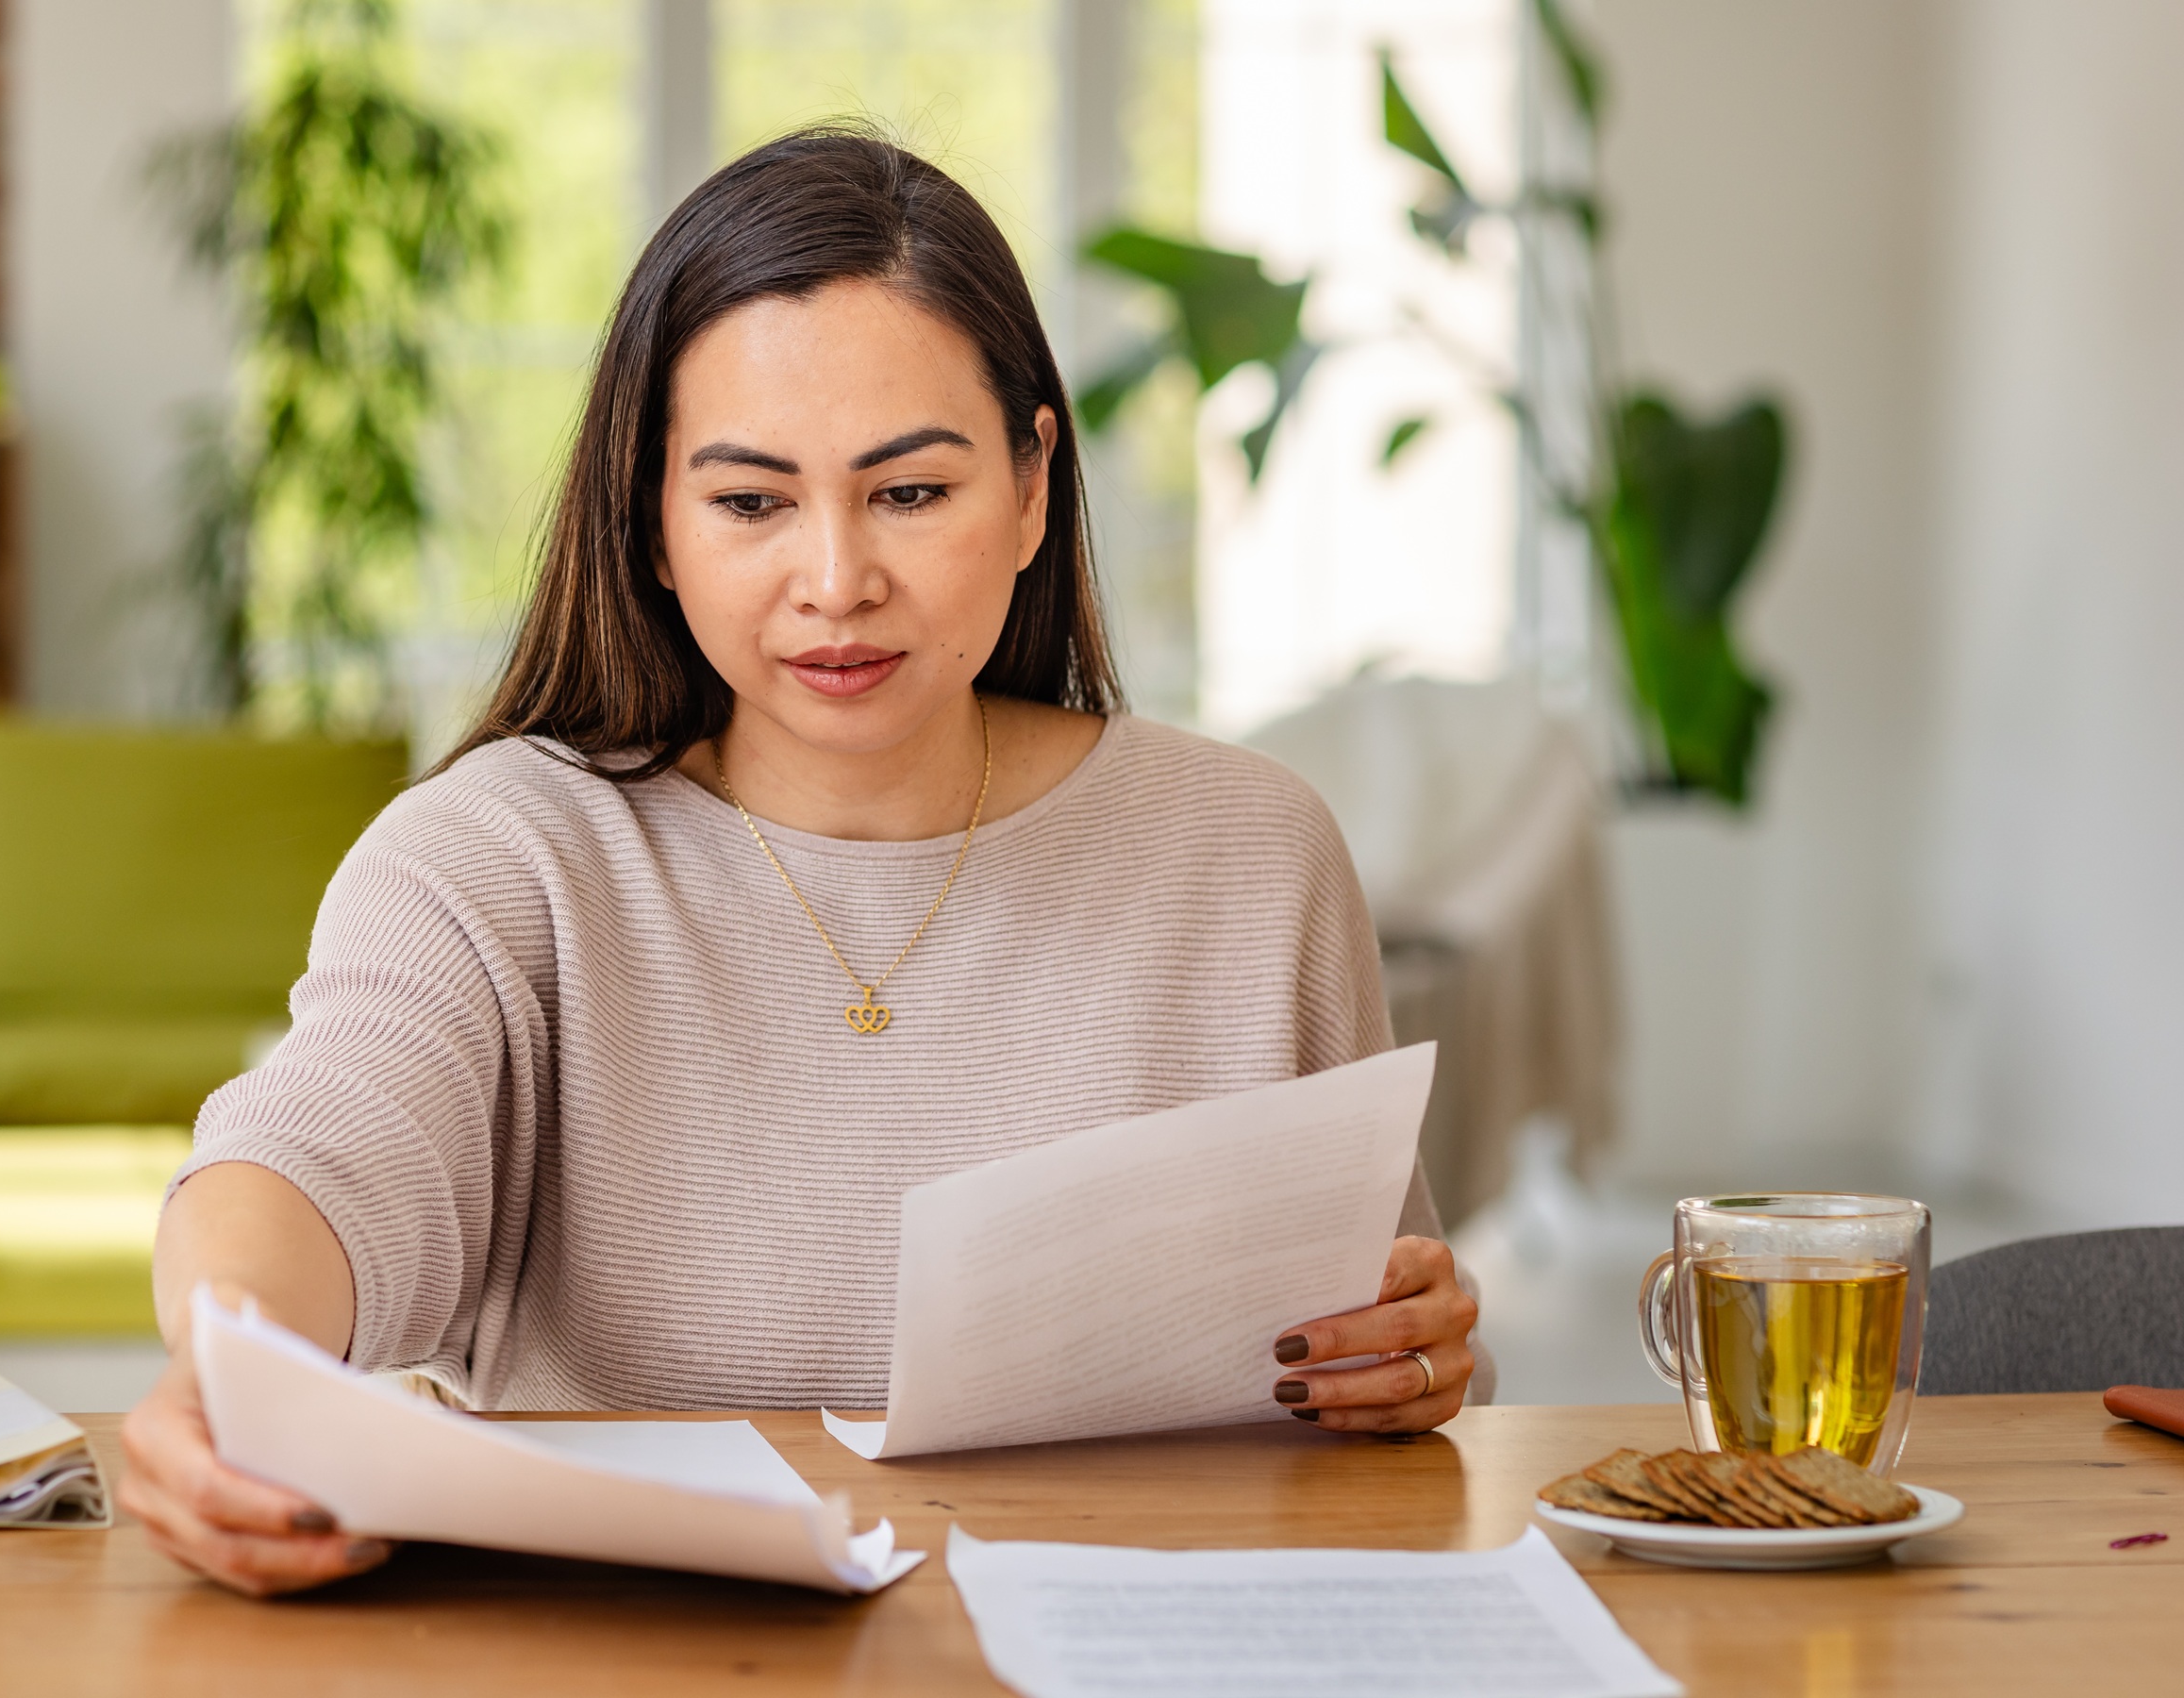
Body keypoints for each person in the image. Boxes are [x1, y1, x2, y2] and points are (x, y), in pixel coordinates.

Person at [119, 128, 1485, 1596]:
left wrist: (1409, 1354)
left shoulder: (1250, 853)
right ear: (651, 517)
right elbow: (318, 1153)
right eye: (750, 502)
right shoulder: (498, 851)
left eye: (910, 493)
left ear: (1032, 487)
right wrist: (230, 1360)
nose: (836, 581)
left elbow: (1388, 1350)